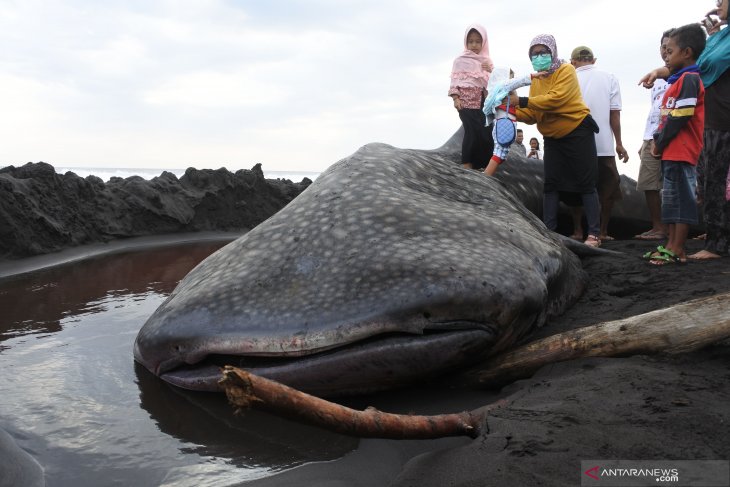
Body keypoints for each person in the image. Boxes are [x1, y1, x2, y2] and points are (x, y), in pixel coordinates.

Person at [641, 0, 729, 261]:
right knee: (708, 182)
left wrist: (662, 140)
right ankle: (712, 237)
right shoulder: (718, 38)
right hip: (709, 123)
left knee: (711, 183)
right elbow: (698, 61)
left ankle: (716, 243)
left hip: (721, 120)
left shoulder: (690, 78)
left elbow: (698, 65)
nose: (717, 3)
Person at [510, 34, 601, 247]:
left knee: (586, 184)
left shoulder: (566, 70)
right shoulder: (537, 80)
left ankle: (594, 234)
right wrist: (510, 111)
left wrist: (520, 100)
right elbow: (533, 114)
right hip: (552, 137)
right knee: (551, 185)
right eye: (534, 54)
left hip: (577, 130)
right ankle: (548, 232)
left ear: (553, 52)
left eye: (543, 52)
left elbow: (556, 99)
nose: (538, 57)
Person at [643, 24, 706, 265]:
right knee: (670, 199)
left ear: (687, 52)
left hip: (680, 151)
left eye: (670, 51)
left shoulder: (690, 79)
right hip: (670, 151)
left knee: (682, 199)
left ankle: (678, 248)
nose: (665, 56)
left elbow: (681, 115)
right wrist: (659, 141)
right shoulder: (677, 80)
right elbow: (667, 116)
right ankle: (670, 244)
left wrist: (660, 142)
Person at [567, 46, 629, 242]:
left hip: (575, 143)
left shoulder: (569, 78)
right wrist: (618, 143)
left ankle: (578, 231)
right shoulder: (609, 77)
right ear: (593, 60)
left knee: (575, 188)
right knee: (607, 189)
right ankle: (602, 231)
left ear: (573, 62)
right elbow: (615, 114)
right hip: (603, 144)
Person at [634, 29, 674, 241]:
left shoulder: (682, 74)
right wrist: (646, 138)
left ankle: (673, 228)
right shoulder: (656, 79)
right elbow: (654, 110)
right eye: (664, 47)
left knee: (673, 182)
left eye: (671, 48)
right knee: (648, 182)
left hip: (673, 134)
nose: (666, 52)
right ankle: (658, 227)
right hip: (651, 136)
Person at [448, 23, 494, 171]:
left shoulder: (486, 61)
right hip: (465, 102)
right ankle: (467, 163)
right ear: (466, 42)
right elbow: (454, 81)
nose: (474, 45)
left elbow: (493, 83)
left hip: (483, 101)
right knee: (471, 131)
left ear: (483, 42)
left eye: (478, 41)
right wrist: (456, 98)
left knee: (486, 133)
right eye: (470, 41)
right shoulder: (460, 60)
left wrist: (491, 71)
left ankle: (484, 165)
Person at [482, 68, 541, 176]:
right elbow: (519, 81)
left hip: (502, 124)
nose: (512, 79)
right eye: (511, 77)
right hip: (505, 123)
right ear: (504, 77)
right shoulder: (503, 86)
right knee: (499, 153)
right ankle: (485, 175)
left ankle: (486, 173)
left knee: (501, 154)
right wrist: (533, 76)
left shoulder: (496, 90)